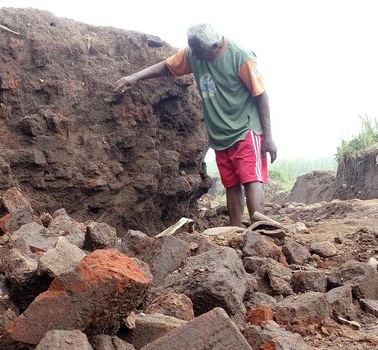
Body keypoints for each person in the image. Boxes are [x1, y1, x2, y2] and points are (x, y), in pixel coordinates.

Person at [114, 23, 277, 227]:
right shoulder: (194, 53)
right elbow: (167, 66)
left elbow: (262, 97)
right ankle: (236, 231)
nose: (194, 54)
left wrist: (268, 137)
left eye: (198, 49)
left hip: (246, 128)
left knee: (250, 178)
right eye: (192, 48)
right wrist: (135, 77)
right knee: (231, 183)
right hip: (220, 134)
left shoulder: (241, 57)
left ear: (215, 46)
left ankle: (259, 230)